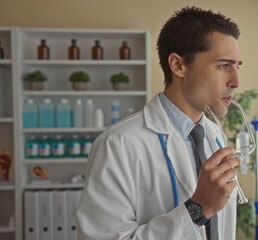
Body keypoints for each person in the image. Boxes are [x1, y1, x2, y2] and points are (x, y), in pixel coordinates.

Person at [77, 6, 243, 240]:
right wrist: (198, 209)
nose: (236, 81)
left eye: (237, 66)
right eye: (224, 65)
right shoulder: (118, 145)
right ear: (178, 65)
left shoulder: (214, 133)